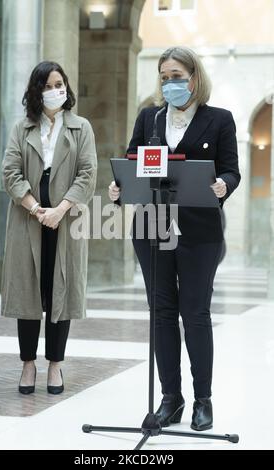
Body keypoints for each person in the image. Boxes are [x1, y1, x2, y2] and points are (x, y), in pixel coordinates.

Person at [109, 46, 240, 431]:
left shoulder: (219, 120)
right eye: (165, 77)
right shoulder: (149, 119)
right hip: (152, 227)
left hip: (200, 231)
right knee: (162, 314)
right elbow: (131, 163)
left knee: (195, 314)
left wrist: (222, 185)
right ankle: (171, 398)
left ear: (194, 78)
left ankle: (203, 399)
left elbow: (232, 170)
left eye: (178, 76)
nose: (171, 83)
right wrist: (119, 188)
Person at [1, 61, 97, 395]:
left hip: (65, 219)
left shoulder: (81, 127)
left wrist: (60, 209)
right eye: (46, 85)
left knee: (60, 291)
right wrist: (35, 207)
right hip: (28, 218)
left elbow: (87, 173)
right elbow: (10, 172)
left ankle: (55, 365)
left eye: (59, 84)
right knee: (28, 292)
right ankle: (28, 365)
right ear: (35, 92)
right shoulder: (21, 128)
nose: (54, 90)